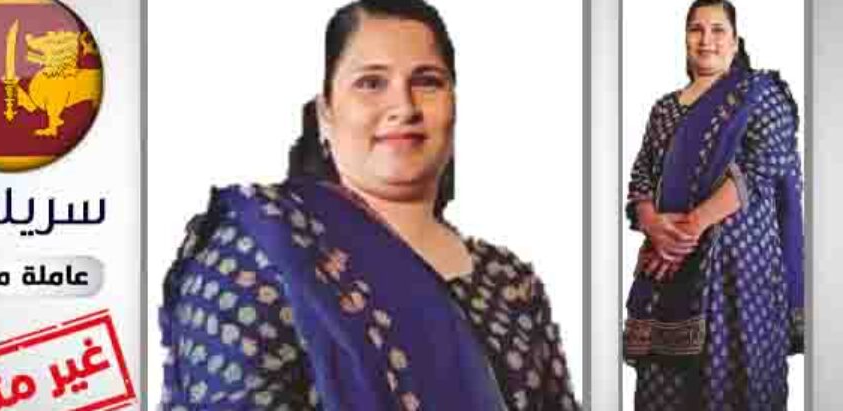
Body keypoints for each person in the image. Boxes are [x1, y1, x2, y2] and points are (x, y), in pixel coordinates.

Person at [159, 1, 578, 410]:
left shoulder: (509, 281)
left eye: (427, 81)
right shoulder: (264, 249)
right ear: (325, 113)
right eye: (371, 83)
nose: (405, 107)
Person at [623, 0, 804, 409]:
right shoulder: (664, 109)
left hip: (739, 276)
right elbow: (641, 177)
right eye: (696, 29)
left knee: (738, 387)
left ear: (735, 41)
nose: (706, 40)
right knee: (665, 392)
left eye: (718, 30)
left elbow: (763, 166)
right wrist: (652, 224)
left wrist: (688, 228)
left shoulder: (761, 96)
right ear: (685, 39)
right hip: (667, 276)